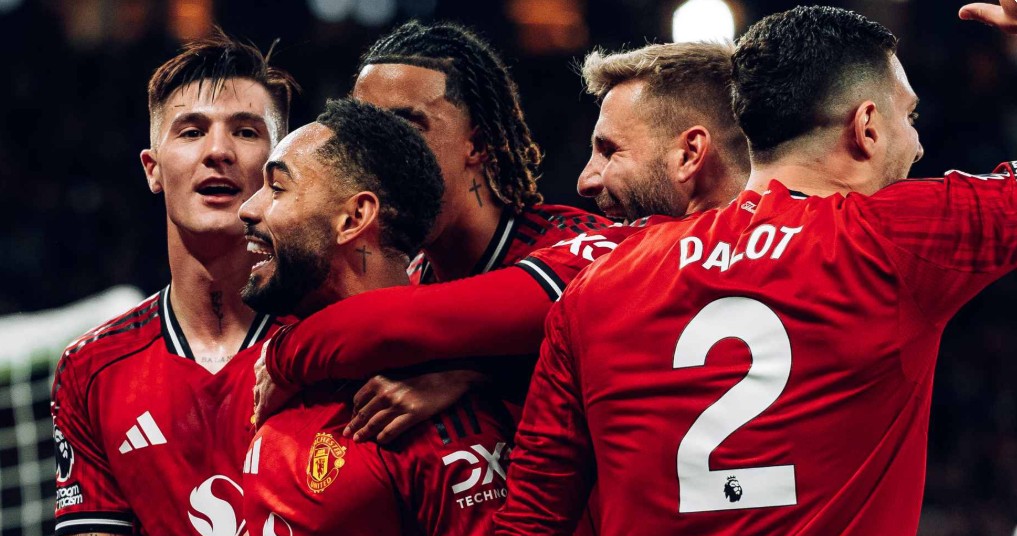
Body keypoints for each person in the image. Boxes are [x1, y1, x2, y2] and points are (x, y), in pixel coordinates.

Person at [493, 4, 1017, 536]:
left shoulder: (598, 285)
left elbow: (528, 535)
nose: (916, 146)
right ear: (866, 127)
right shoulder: (889, 240)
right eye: (908, 118)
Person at [254, 41, 749, 440]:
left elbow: (411, 327)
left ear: (479, 143)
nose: (378, 152)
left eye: (404, 127)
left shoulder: (589, 246)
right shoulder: (398, 273)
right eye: (360, 131)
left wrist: (479, 376)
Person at [51, 31, 298, 536]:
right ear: (153, 169)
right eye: (191, 131)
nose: (218, 151)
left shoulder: (338, 331)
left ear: (278, 170)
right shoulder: (90, 371)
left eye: (246, 131)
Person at [238, 97, 510, 536]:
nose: (248, 208)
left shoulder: (432, 409)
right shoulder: (278, 372)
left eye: (277, 188)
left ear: (353, 218)